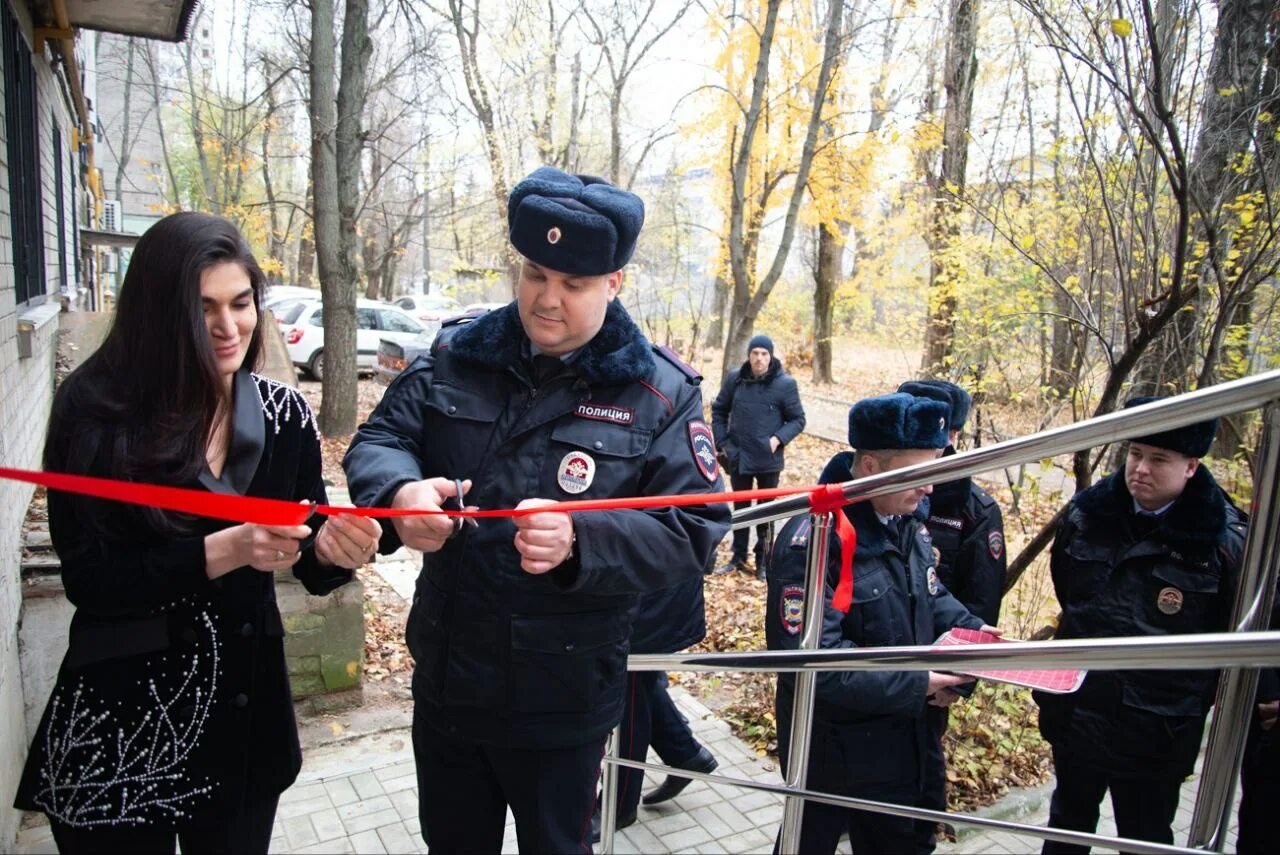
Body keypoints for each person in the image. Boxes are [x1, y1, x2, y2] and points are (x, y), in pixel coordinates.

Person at [342, 166, 730, 853]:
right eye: (534, 275)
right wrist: (399, 494)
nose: (546, 300)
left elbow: (697, 527)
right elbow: (381, 438)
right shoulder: (461, 351)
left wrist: (584, 539)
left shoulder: (659, 392)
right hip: (449, 687)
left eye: (573, 285)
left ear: (614, 283)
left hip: (565, 705)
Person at [13, 212, 381, 853]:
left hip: (241, 717)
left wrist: (336, 549)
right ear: (157, 311)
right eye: (203, 307)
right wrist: (224, 549)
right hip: (124, 726)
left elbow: (314, 552)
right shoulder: (96, 411)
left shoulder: (281, 413)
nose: (228, 326)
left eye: (242, 304)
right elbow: (91, 581)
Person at [765, 393, 999, 854]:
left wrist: (978, 635)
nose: (930, 487)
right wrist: (919, 685)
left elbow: (931, 595)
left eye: (935, 468)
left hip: (896, 740)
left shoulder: (902, 518)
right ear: (871, 466)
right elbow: (810, 662)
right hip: (828, 750)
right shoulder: (814, 538)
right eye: (919, 472)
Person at [1034, 397, 1246, 854]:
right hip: (1080, 711)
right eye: (1134, 454)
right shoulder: (1088, 514)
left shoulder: (1221, 541)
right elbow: (1067, 591)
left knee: (1145, 836)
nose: (1140, 469)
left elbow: (1233, 631)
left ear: (1191, 466)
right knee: (1067, 824)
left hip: (1157, 727)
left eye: (1158, 459)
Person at [897, 379, 1006, 848]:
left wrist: (959, 677)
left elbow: (980, 602)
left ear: (953, 437)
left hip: (933, 668)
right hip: (880, 658)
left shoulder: (975, 510)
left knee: (922, 759)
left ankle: (923, 831)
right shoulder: (881, 490)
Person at [590, 578, 718, 841]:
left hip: (647, 599)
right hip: (647, 594)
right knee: (638, 684)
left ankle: (619, 804)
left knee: (628, 696)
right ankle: (684, 753)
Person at [711, 334, 806, 578]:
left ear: (771, 356)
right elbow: (719, 409)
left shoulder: (785, 384)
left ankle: (764, 560)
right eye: (755, 353)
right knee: (741, 508)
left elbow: (798, 419)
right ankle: (738, 556)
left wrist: (777, 439)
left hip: (768, 459)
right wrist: (723, 442)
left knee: (766, 511)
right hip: (739, 456)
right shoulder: (736, 378)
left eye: (764, 354)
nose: (759, 358)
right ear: (749, 355)